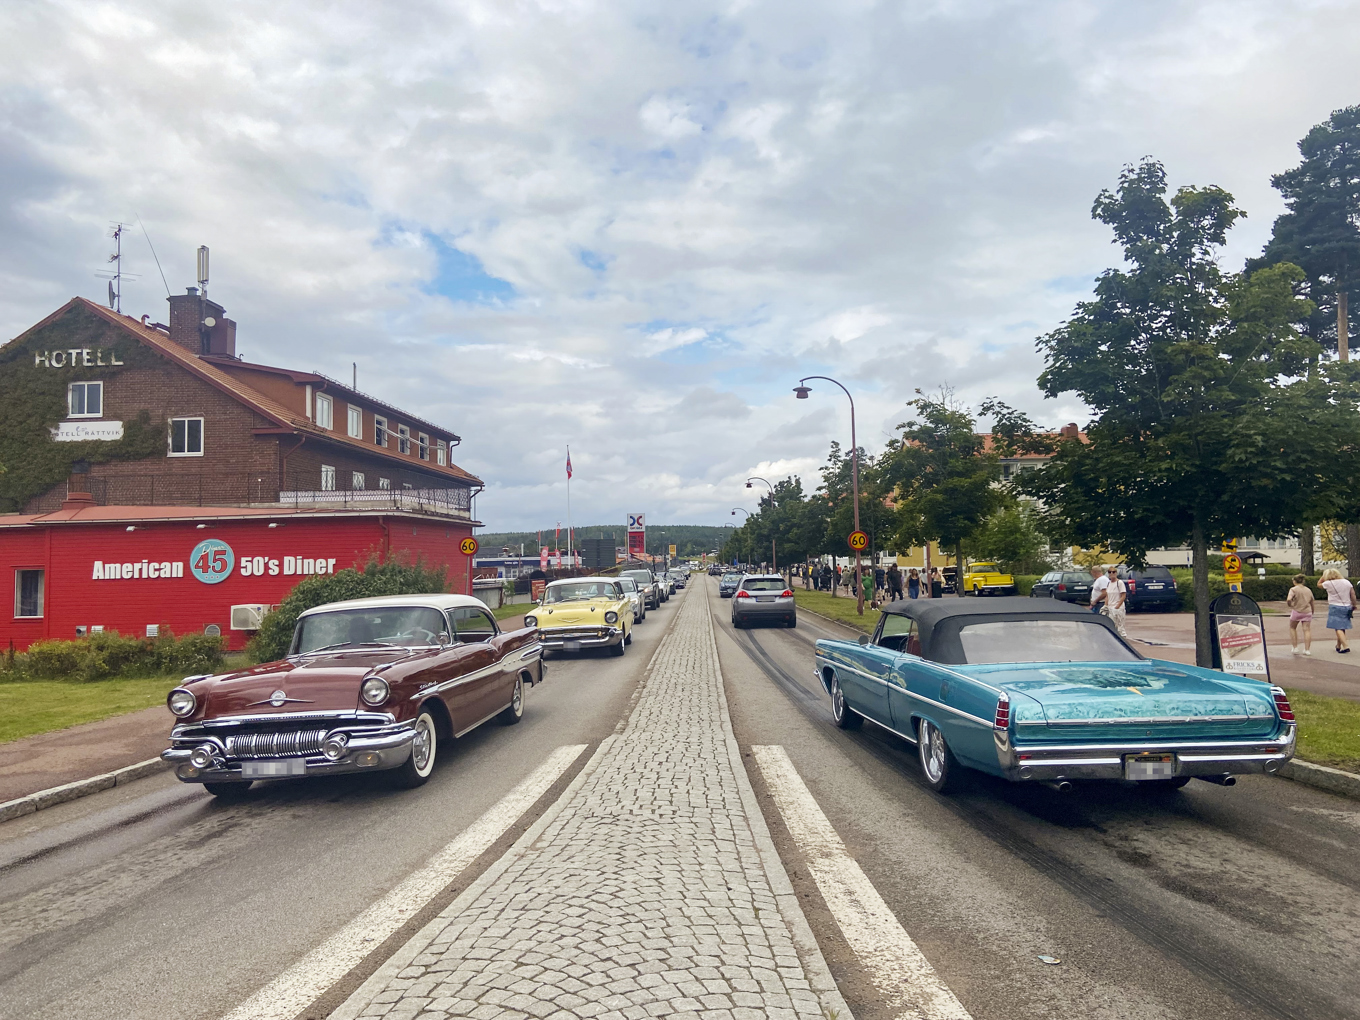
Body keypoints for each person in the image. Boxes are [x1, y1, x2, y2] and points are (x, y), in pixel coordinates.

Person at [1320, 567, 1356, 653]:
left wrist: (1322, 577)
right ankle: (1338, 645)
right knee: (1342, 626)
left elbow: (1319, 584)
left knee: (1337, 627)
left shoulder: (1328, 583)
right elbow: (1352, 594)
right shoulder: (1347, 582)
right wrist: (1354, 605)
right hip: (1347, 606)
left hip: (1335, 606)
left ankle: (1345, 646)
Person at [1286, 572, 1314, 656]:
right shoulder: (1308, 590)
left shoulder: (1293, 589)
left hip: (1297, 611)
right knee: (1307, 630)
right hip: (1307, 611)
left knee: (1292, 627)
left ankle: (1295, 647)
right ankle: (1307, 649)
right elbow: (1312, 601)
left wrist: (1290, 604)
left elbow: (1289, 599)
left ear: (1295, 581)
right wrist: (1312, 611)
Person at [1100, 565, 1129, 638]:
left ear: (1116, 573)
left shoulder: (1119, 583)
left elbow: (1123, 595)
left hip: (1118, 608)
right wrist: (1105, 605)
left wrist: (1117, 606)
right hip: (1110, 608)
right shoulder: (1109, 583)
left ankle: (1123, 641)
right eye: (1110, 572)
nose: (1112, 573)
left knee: (1120, 627)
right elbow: (1107, 595)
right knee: (1112, 625)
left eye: (1113, 572)